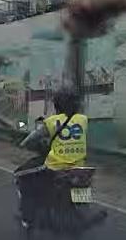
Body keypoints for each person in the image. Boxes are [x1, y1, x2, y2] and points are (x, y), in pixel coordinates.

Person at [14, 88, 91, 221]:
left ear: (57, 105)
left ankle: (27, 217)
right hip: (79, 167)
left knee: (21, 175)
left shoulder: (51, 122)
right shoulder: (83, 120)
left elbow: (30, 140)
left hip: (56, 167)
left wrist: (23, 144)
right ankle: (80, 207)